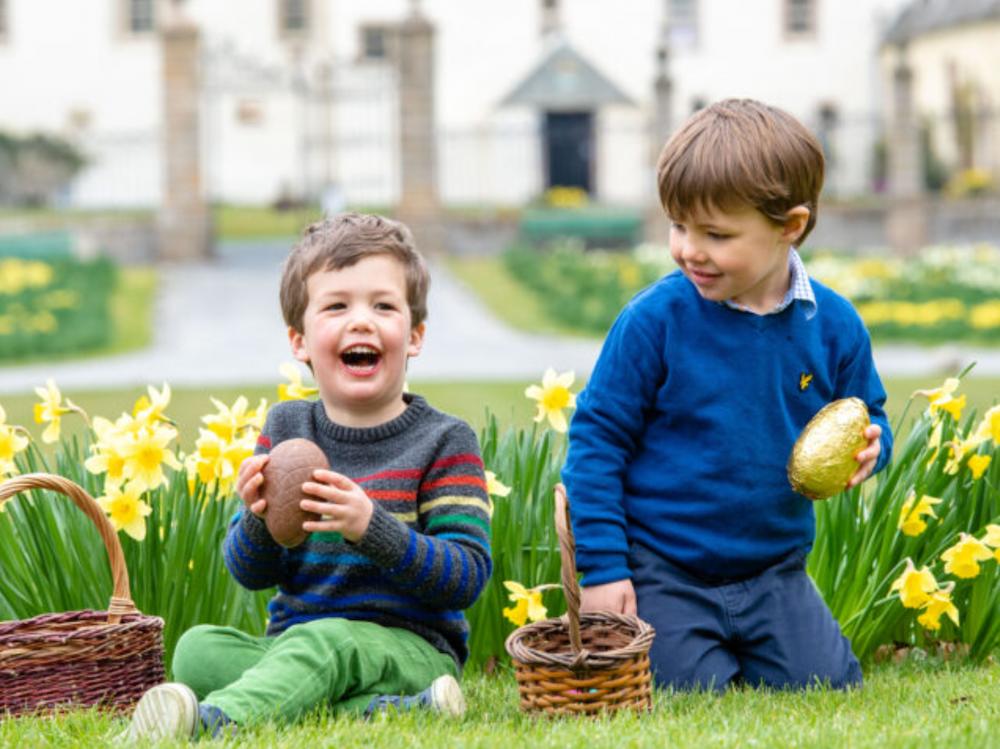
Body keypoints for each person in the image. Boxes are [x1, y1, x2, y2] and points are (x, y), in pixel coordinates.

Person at [562, 99, 893, 692]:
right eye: (679, 226)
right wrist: (605, 570)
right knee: (688, 689)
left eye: (715, 234)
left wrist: (873, 448)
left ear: (789, 226)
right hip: (667, 568)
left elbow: (868, 413)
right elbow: (596, 442)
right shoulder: (653, 321)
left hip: (774, 569)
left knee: (827, 685)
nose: (689, 249)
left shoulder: (834, 325)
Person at [126, 213, 492, 740]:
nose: (361, 321)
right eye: (337, 306)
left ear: (414, 336)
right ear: (299, 341)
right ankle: (392, 710)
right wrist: (258, 517)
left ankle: (214, 722)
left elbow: (466, 577)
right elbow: (250, 573)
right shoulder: (286, 427)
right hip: (294, 642)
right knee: (198, 649)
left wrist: (372, 527)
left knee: (328, 643)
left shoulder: (444, 440)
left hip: (410, 648)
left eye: (383, 306)